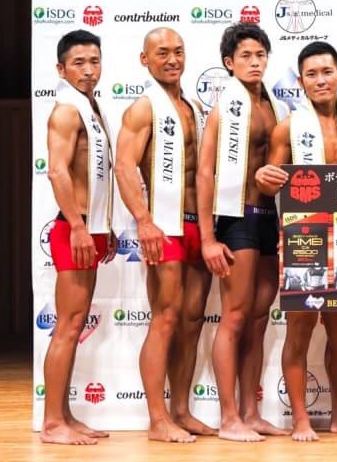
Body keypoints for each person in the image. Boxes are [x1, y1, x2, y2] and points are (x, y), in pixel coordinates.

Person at [255, 41, 337, 442]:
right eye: (311, 74)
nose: (321, 80)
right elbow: (269, 182)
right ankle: (300, 419)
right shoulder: (287, 128)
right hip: (305, 239)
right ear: (301, 81)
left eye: (327, 72)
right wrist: (263, 177)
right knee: (300, 330)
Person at [114, 28, 215, 443]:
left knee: (191, 321)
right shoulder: (143, 108)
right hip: (165, 224)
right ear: (145, 59)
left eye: (178, 52)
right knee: (166, 317)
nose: (172, 59)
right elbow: (124, 166)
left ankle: (181, 411)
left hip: (197, 224)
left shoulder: (192, 107)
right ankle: (157, 420)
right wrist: (144, 220)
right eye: (162, 53)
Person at [195, 23, 289, 441]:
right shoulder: (224, 108)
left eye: (260, 55)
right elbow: (204, 172)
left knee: (258, 317)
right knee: (234, 316)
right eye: (246, 56)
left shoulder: (274, 106)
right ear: (229, 63)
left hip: (269, 219)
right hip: (237, 218)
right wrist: (207, 238)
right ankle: (229, 417)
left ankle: (251, 412)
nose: (254, 62)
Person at [41, 30, 114, 445]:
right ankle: (52, 424)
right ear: (61, 69)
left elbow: (96, 177)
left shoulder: (91, 107)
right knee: (67, 327)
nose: (88, 70)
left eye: (94, 61)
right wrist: (80, 226)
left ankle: (65, 415)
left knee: (75, 325)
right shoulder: (67, 111)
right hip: (74, 228)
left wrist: (104, 225)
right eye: (79, 63)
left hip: (90, 225)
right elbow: (57, 171)